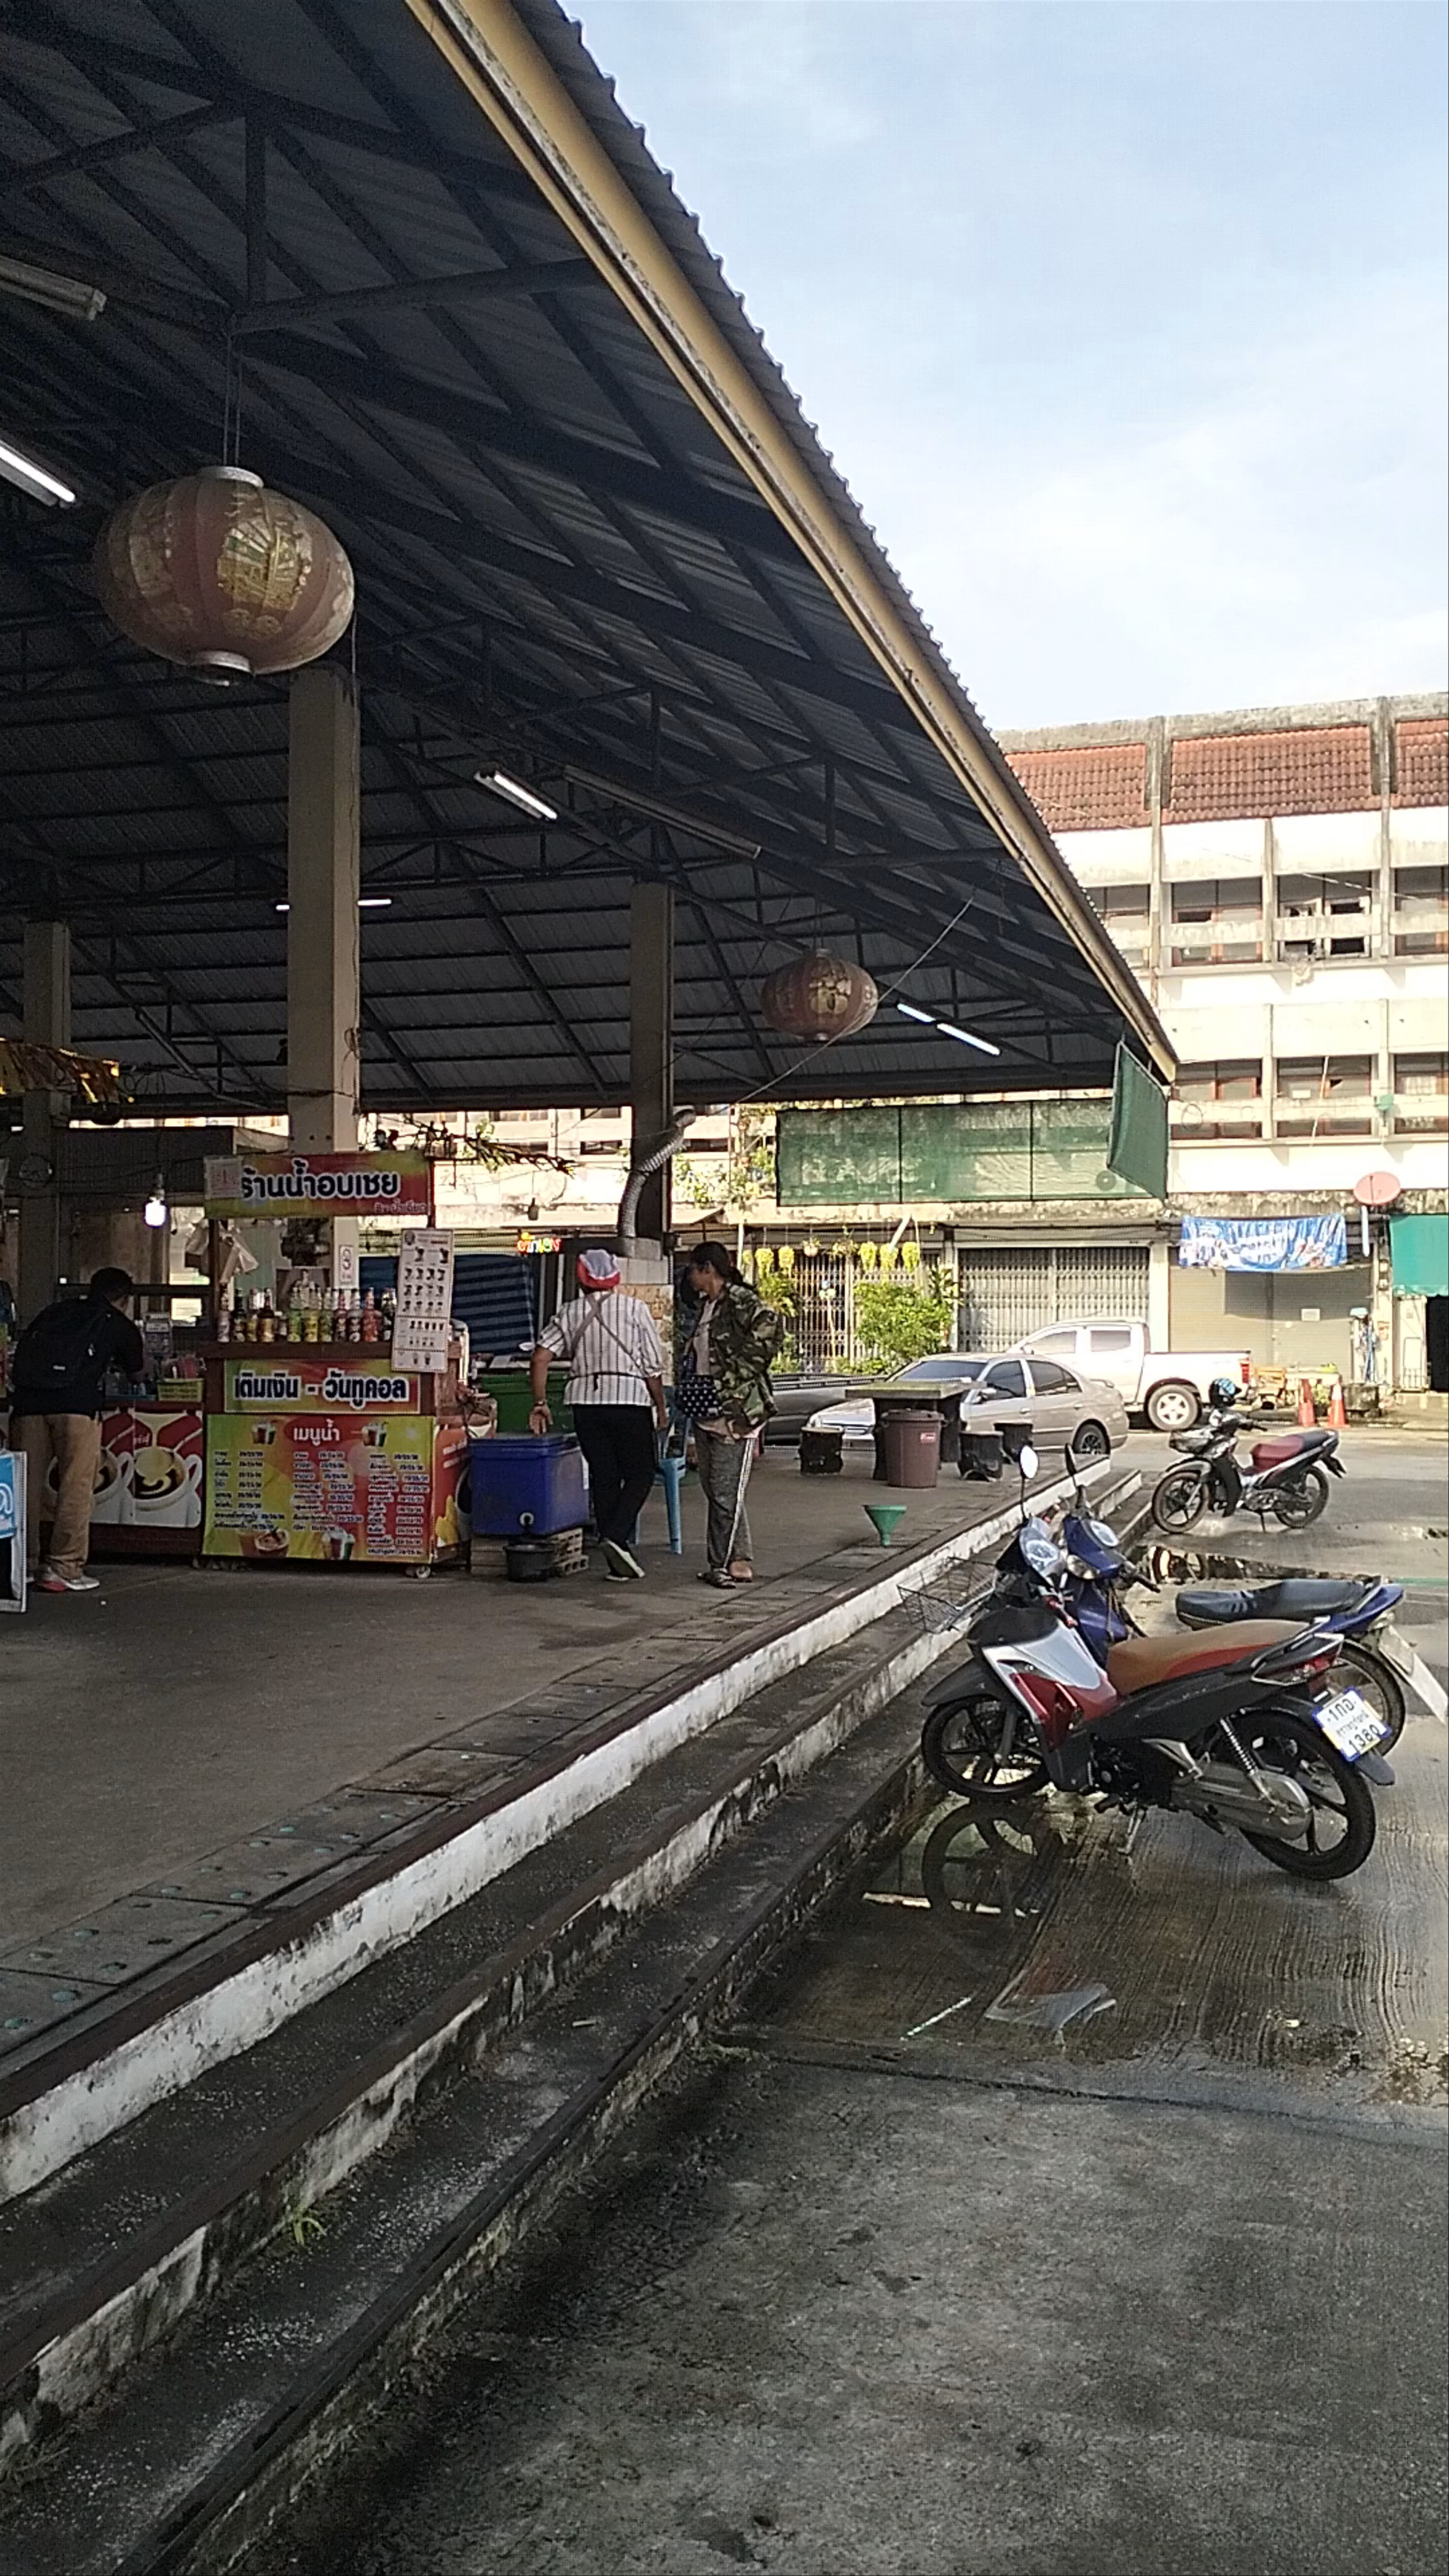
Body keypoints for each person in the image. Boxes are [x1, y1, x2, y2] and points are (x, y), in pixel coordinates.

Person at [529, 1248, 668, 1583]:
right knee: (641, 1473)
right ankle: (615, 1536)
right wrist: (661, 1407)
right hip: (630, 1402)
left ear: (581, 1279)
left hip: (585, 1404)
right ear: (615, 1278)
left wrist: (540, 1402)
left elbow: (539, 1359)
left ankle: (615, 1556)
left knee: (605, 1476)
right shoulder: (635, 1309)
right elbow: (652, 1366)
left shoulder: (569, 1313)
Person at [8, 1266, 144, 1593]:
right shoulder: (116, 1323)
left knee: (24, 1489)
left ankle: (20, 1565)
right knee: (75, 1487)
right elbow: (138, 1374)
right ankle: (63, 1567)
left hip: (27, 1406)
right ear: (123, 1299)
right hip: (77, 1409)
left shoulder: (54, 1312)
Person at [674, 1243, 782, 1589]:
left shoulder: (740, 1300)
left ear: (708, 1269)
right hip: (708, 1408)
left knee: (725, 1493)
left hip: (735, 1413)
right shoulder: (708, 1306)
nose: (690, 1276)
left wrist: (738, 1376)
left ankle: (719, 1562)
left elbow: (770, 1326)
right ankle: (738, 1557)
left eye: (693, 1269)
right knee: (720, 1490)